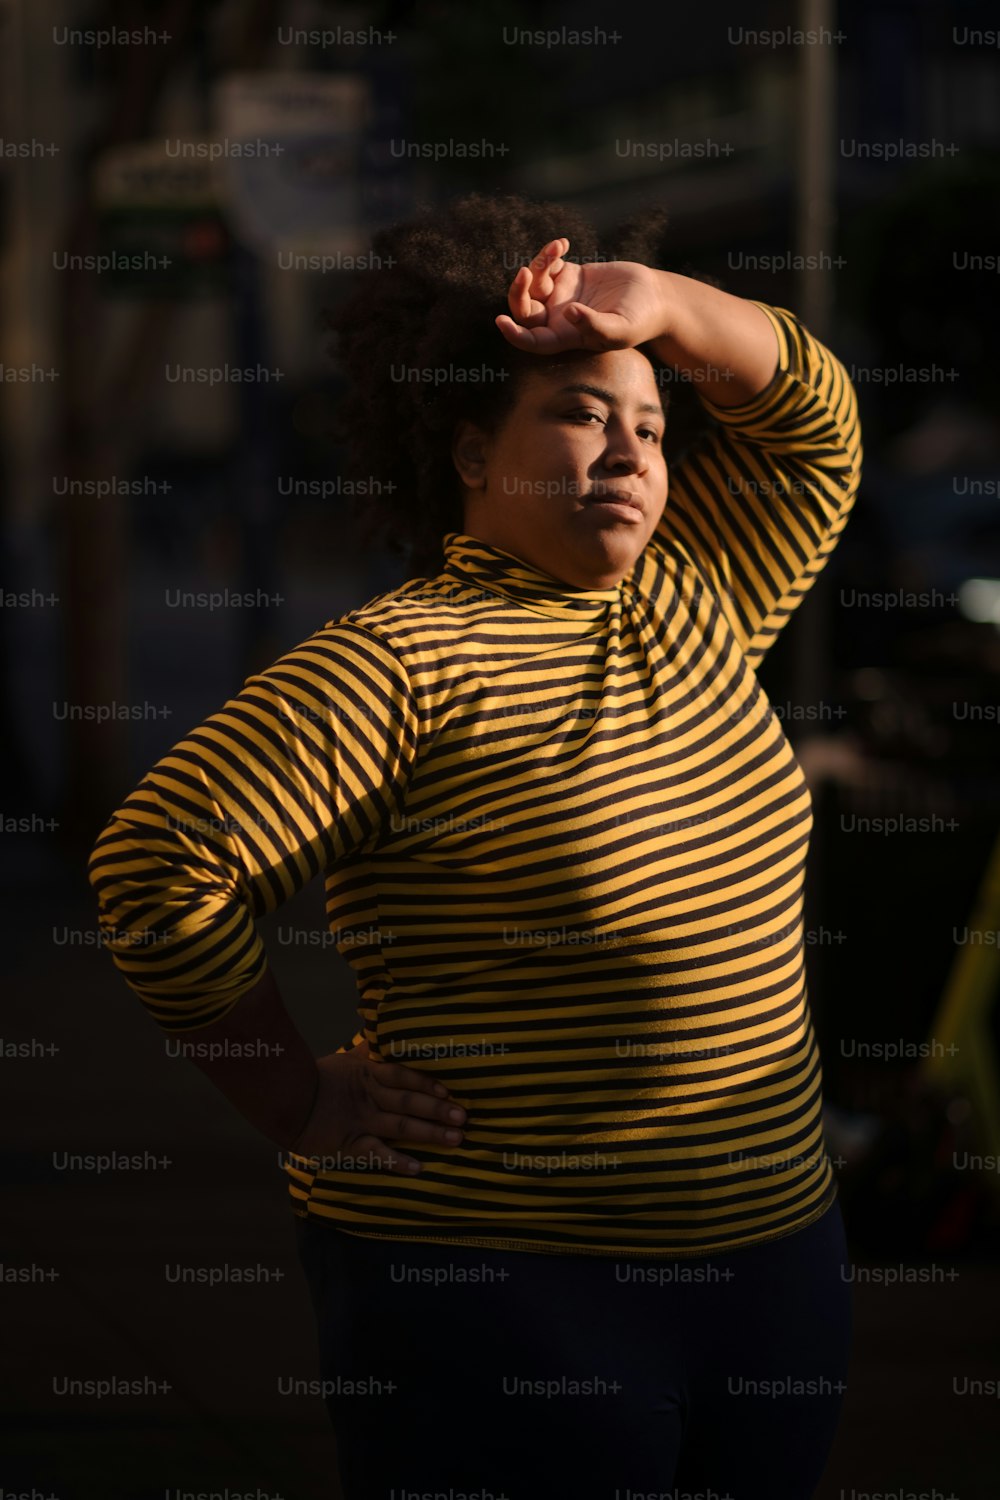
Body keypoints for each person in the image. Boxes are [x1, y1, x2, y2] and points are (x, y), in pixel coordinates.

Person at [88, 193, 862, 1499]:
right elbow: (157, 866)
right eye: (577, 415)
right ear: (466, 452)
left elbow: (813, 422)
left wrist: (658, 303)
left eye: (653, 429)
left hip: (772, 1266)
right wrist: (294, 1097)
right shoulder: (403, 661)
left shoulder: (705, 595)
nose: (628, 452)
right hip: (502, 1287)